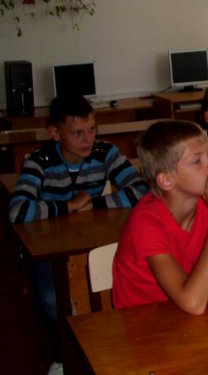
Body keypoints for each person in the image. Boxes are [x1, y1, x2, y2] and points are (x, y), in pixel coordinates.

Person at [9, 94, 148, 374]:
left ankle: (107, 348)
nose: (88, 139)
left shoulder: (105, 152)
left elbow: (142, 191)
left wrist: (94, 204)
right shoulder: (39, 161)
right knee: (52, 300)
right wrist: (68, 206)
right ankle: (62, 356)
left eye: (92, 129)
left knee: (118, 285)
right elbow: (18, 211)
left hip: (92, 239)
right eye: (78, 133)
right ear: (55, 133)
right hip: (51, 249)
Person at [112, 120, 208, 312]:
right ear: (166, 180)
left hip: (185, 318)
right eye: (198, 161)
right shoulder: (145, 222)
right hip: (141, 321)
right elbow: (193, 304)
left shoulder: (207, 207)